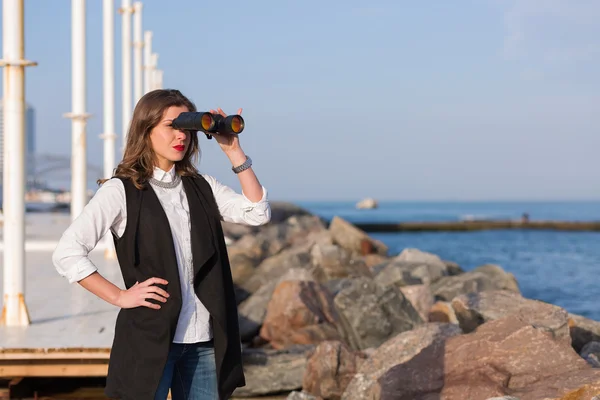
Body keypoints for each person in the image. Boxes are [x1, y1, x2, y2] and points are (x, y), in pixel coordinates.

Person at [52, 89, 271, 400]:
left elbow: (258, 212)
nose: (180, 136)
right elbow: (67, 252)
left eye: (186, 127)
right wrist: (118, 296)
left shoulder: (202, 186)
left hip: (204, 340)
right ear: (146, 129)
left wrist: (234, 152)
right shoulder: (120, 191)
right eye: (172, 126)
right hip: (149, 338)